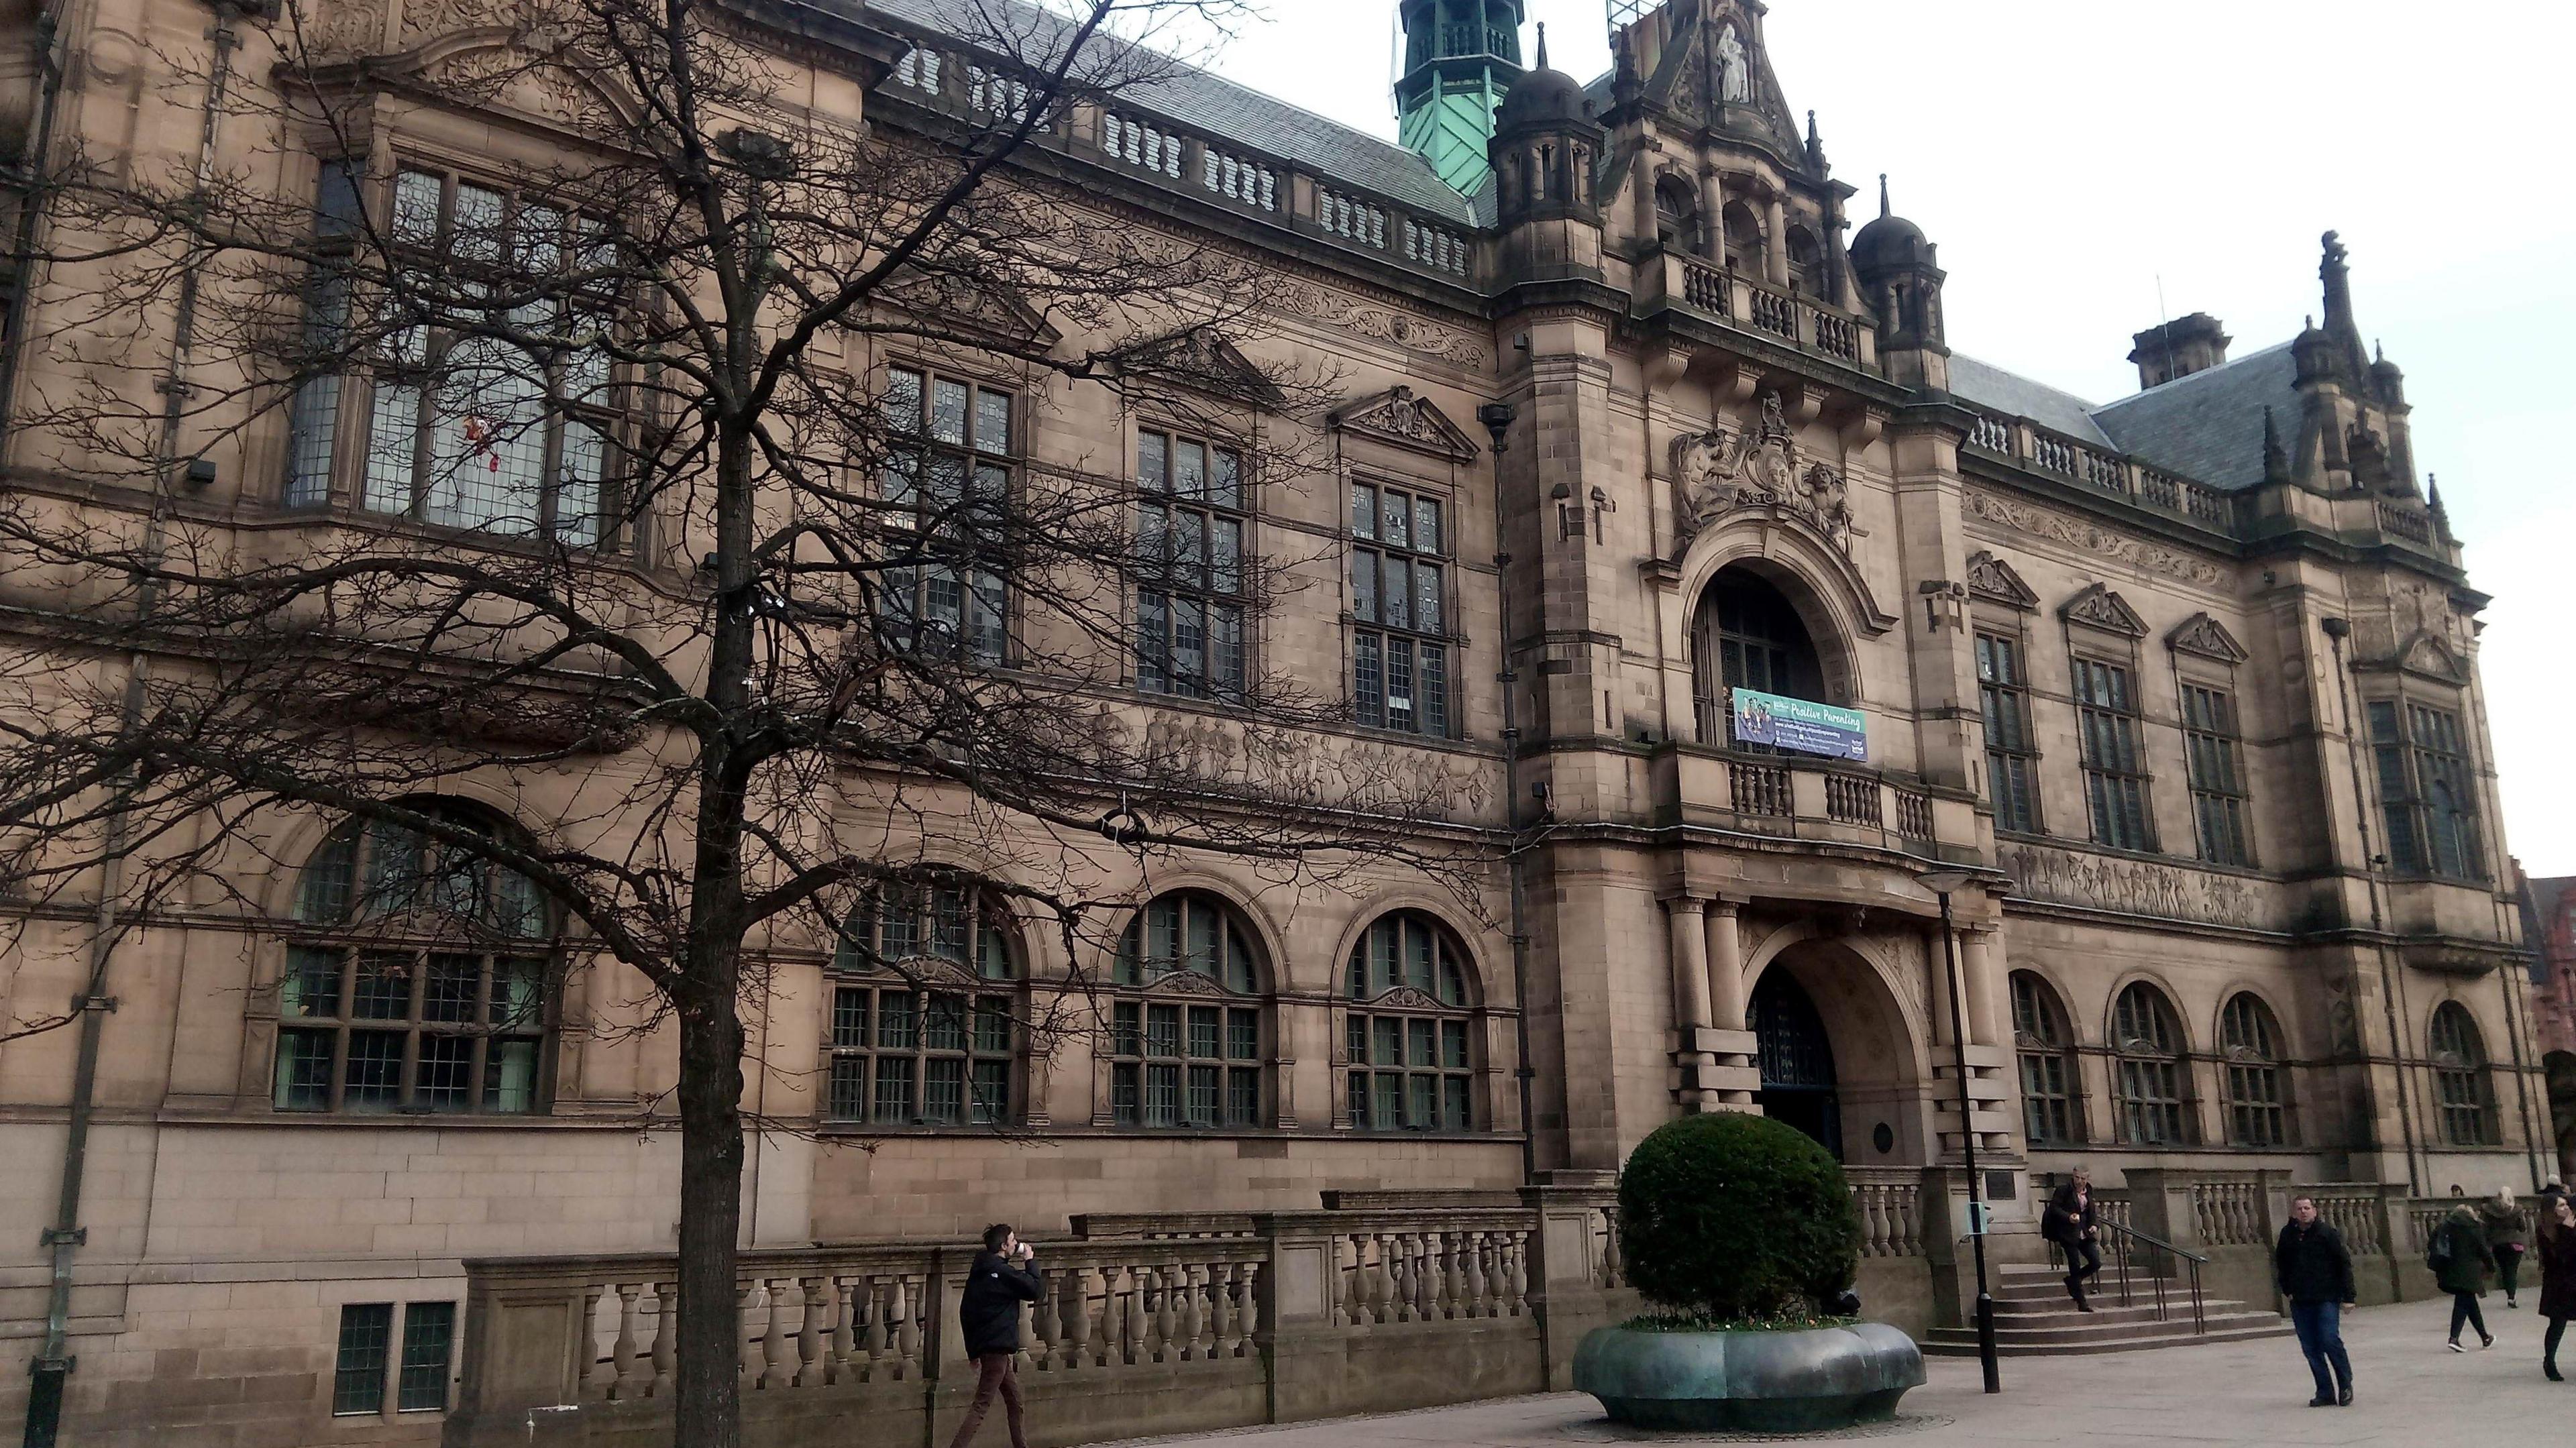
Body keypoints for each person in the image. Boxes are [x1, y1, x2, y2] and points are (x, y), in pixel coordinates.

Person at [949, 1223, 1046, 1448]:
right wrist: (1030, 1261)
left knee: (1015, 1401)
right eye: (1012, 1241)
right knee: (981, 1405)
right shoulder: (1002, 1273)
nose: (1016, 1244)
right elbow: (1034, 1290)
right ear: (1004, 1246)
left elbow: (966, 1312)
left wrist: (973, 1351)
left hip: (991, 1347)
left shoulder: (980, 1272)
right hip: (998, 1348)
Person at [2275, 1195, 2357, 1407]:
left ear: (2314, 1211)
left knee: (2329, 1339)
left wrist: (2349, 1297)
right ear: (2294, 1213)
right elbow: (2281, 1263)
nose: (2304, 1212)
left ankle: (2345, 1383)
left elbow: (2344, 1263)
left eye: (2307, 1208)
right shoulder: (2288, 1235)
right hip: (2301, 1299)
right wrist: (2287, 1289)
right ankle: (2325, 1391)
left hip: (2326, 1297)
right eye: (2300, 1208)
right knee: (2311, 1347)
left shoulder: (2327, 1234)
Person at [2431, 1201, 2498, 1351]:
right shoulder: (2473, 1227)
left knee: (2469, 1303)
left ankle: (2485, 1337)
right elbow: (2483, 1250)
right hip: (2468, 1271)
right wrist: (2491, 1267)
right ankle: (2454, 1338)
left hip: (2448, 1269)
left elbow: (2433, 1244)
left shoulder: (2444, 1227)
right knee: (2462, 1303)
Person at [2041, 1168, 2103, 1311]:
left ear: (2087, 1179)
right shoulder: (2064, 1190)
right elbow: (2054, 1208)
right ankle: (2082, 1302)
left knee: (2095, 1262)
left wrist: (2094, 1225)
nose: (2079, 1181)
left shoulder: (2088, 1191)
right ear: (2073, 1176)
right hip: (2068, 1234)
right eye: (2077, 1177)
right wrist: (2068, 1217)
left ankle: (2072, 1281)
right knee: (2074, 1265)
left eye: (2082, 1178)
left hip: (2084, 1233)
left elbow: (2092, 1211)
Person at [2538, 1192, 2576, 1380]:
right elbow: (2559, 1257)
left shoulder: (2569, 1226)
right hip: (2558, 1285)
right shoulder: (2546, 1231)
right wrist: (2569, 1231)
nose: (2566, 1208)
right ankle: (2549, 1362)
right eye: (2561, 1206)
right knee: (2557, 1324)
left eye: (2566, 1205)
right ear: (2551, 1211)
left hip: (2573, 1282)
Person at [2481, 1186, 2531, 1309]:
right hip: (2515, 1243)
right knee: (2512, 1270)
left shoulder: (2489, 1210)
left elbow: (2485, 1228)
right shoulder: (2517, 1209)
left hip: (2498, 1243)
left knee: (2504, 1270)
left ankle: (2510, 1294)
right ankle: (2512, 1296)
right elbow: (2522, 1227)